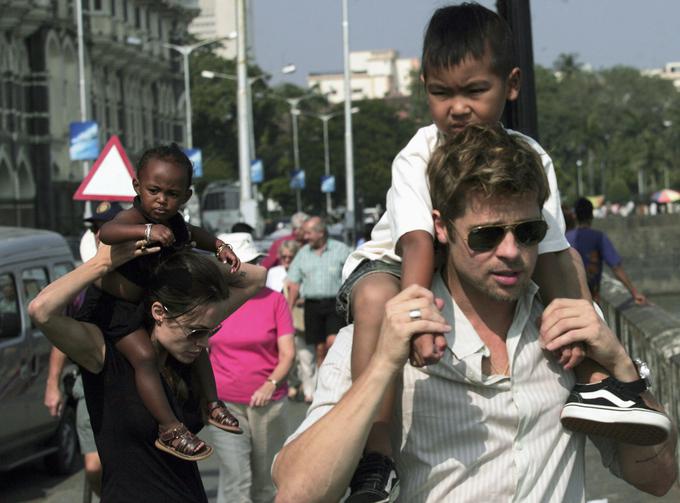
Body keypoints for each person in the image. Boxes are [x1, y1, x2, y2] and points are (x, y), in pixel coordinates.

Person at [333, 4, 646, 499]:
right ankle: (378, 453)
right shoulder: (418, 155)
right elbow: (417, 241)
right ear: (425, 89)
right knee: (376, 300)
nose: (458, 107)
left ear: (511, 85)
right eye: (441, 93)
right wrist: (418, 318)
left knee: (565, 269)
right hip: (397, 265)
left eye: (475, 91)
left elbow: (550, 249)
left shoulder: (530, 156)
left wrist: (580, 323)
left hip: (456, 258)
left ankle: (597, 382)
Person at [272, 125, 676, 503]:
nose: (511, 252)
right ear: (441, 227)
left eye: (528, 232)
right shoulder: (383, 335)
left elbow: (658, 479)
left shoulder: (568, 330)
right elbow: (296, 493)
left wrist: (622, 367)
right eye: (486, 235)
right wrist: (381, 369)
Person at [29, 242, 266, 502]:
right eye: (196, 332)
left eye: (210, 331)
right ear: (158, 313)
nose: (204, 342)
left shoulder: (184, 352)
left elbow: (256, 277)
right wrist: (102, 264)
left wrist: (175, 261)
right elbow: (41, 310)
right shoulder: (107, 353)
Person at [77, 143, 243, 461]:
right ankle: (170, 427)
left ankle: (212, 404)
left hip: (150, 305)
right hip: (115, 309)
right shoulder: (134, 216)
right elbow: (108, 233)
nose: (162, 200)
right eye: (154, 190)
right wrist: (145, 230)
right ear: (138, 187)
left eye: (172, 193)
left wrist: (220, 245)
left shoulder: (176, 222)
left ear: (186, 196)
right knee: (144, 357)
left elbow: (195, 233)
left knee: (195, 344)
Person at [207, 233, 296, 502]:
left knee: (266, 482)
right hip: (224, 404)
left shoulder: (275, 300)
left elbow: (288, 353)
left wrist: (270, 383)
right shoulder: (212, 302)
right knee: (236, 480)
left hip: (268, 405)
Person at [43, 200, 123, 497]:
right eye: (97, 228)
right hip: (90, 383)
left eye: (108, 226)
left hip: (134, 383)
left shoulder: (142, 274)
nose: (101, 233)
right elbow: (61, 333)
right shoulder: (81, 285)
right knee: (93, 467)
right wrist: (52, 385)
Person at [286, 216, 351, 368]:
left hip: (335, 304)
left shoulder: (340, 250)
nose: (305, 237)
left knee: (333, 342)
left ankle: (336, 373)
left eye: (308, 233)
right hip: (312, 305)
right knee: (320, 348)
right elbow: (294, 283)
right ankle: (322, 380)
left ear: (320, 233)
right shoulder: (303, 254)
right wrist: (288, 308)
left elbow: (352, 275)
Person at [567, 197, 647, 305]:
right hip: (591, 301)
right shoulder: (598, 237)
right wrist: (634, 293)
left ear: (575, 216)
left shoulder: (565, 238)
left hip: (569, 301)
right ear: (591, 215)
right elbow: (616, 268)